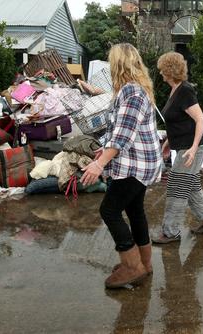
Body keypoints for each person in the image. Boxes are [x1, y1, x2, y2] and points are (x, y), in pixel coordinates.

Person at [79, 43, 161, 289]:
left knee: (110, 211)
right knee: (135, 211)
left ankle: (132, 265)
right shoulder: (132, 90)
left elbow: (124, 134)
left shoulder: (132, 92)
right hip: (139, 162)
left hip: (135, 165)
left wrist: (99, 164)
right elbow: (121, 131)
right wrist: (104, 149)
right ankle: (144, 264)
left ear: (117, 64)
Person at [150, 52, 203, 244]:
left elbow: (200, 119)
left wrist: (194, 148)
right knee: (192, 186)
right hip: (182, 147)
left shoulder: (185, 90)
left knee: (177, 189)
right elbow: (178, 122)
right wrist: (167, 143)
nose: (161, 73)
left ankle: (171, 232)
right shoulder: (175, 90)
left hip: (191, 149)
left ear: (170, 70)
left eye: (163, 69)